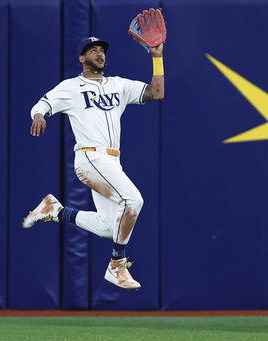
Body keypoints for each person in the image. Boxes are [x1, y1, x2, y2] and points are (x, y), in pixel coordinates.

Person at [22, 35, 164, 290]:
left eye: (102, 50)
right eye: (93, 50)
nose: (99, 54)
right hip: (90, 157)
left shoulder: (119, 85)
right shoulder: (70, 87)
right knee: (133, 200)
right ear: (82, 58)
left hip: (112, 161)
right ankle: (116, 264)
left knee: (110, 227)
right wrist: (40, 115)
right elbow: (41, 105)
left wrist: (157, 58)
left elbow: (157, 92)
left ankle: (55, 211)